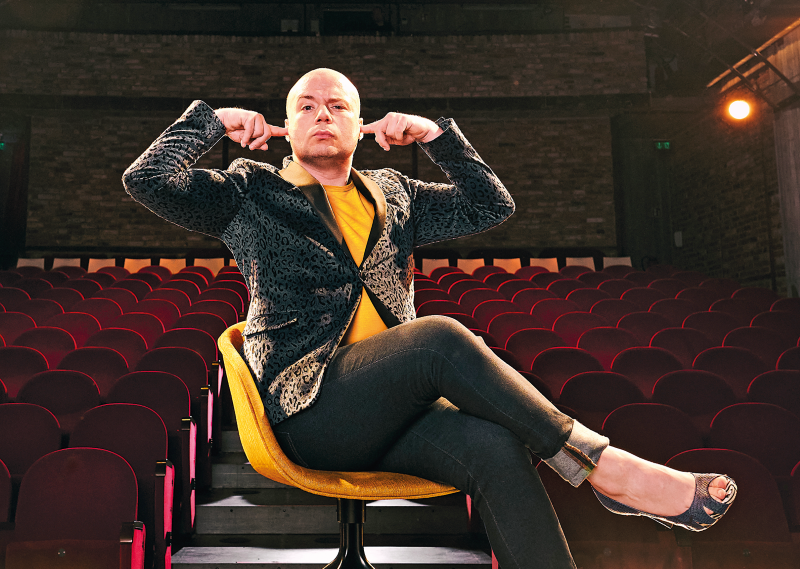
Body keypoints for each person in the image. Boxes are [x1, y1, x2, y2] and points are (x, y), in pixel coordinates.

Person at [123, 68, 736, 569]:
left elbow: (491, 205)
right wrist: (211, 122)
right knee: (438, 337)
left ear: (360, 127)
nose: (322, 115)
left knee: (496, 447)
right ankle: (603, 467)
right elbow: (146, 179)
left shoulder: (396, 194)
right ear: (285, 127)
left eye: (337, 106)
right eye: (306, 107)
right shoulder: (247, 191)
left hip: (397, 412)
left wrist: (437, 138)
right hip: (311, 410)